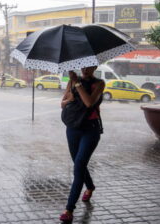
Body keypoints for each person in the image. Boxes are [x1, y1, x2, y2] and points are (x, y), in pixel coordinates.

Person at [60, 66, 105, 222]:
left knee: (78, 165)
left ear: (95, 66)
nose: (86, 69)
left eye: (90, 67)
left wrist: (77, 83)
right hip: (72, 128)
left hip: (90, 130)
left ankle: (69, 209)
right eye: (83, 67)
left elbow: (89, 102)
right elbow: (62, 103)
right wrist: (69, 99)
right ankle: (90, 186)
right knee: (79, 164)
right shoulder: (72, 83)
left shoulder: (99, 83)